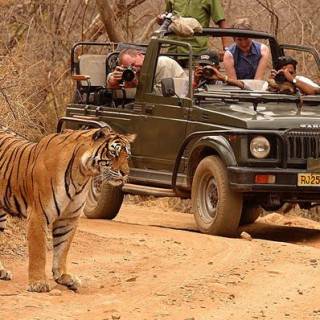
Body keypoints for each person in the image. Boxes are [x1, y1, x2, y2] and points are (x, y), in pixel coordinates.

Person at [156, 0, 229, 67]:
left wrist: (226, 49)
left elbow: (221, 21)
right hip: (173, 49)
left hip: (195, 51)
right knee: (168, 78)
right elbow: (168, 18)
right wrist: (161, 19)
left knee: (194, 78)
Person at [107, 48, 187, 90]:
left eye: (133, 64)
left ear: (139, 55)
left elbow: (161, 94)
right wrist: (113, 79)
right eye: (129, 67)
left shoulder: (161, 63)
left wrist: (137, 84)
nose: (135, 68)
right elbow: (112, 80)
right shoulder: (134, 72)